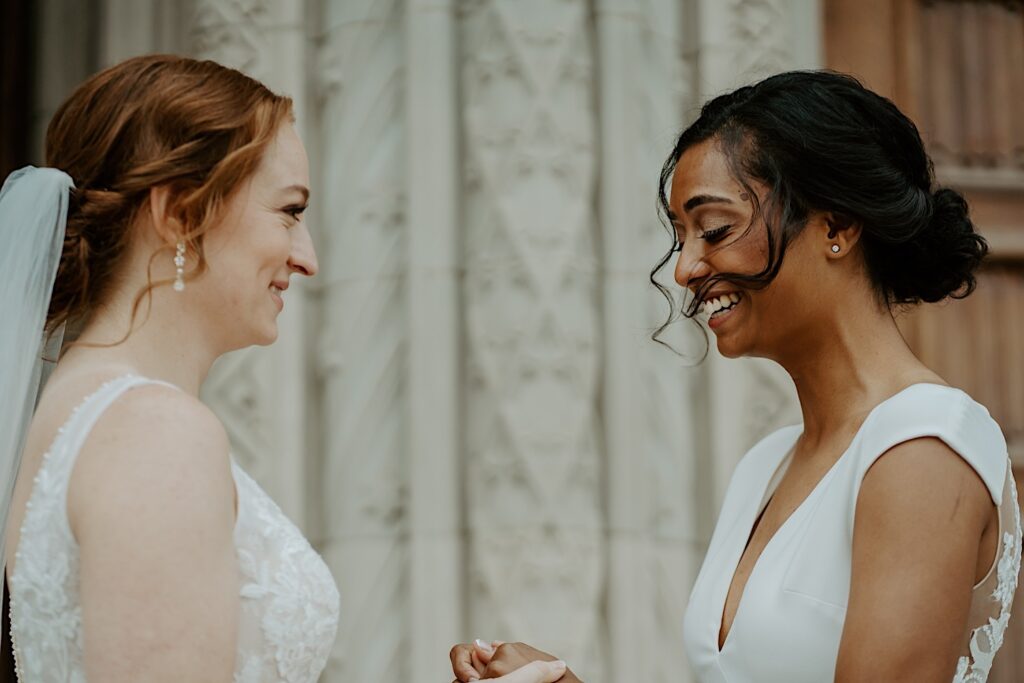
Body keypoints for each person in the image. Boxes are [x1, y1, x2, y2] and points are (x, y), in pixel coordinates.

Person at [0, 54, 564, 683]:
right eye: (290, 212)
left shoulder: (82, 409)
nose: (308, 258)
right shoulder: (153, 433)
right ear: (180, 214)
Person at [450, 70, 1021, 683]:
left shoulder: (923, 448)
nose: (687, 269)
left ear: (837, 227)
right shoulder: (765, 467)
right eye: (681, 237)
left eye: (715, 229)